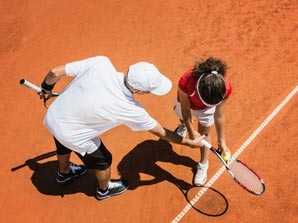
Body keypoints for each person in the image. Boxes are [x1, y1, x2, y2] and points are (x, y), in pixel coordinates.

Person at [40, 55, 205, 201]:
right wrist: (187, 142)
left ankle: (65, 172)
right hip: (72, 133)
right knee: (103, 160)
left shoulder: (101, 63)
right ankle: (103, 191)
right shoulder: (130, 109)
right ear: (137, 90)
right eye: (148, 91)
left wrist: (46, 87)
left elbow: (55, 72)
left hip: (54, 116)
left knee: (62, 137)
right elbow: (161, 132)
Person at [173, 57, 232, 186]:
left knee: (205, 134)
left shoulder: (225, 88)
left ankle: (203, 164)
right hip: (186, 104)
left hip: (206, 110)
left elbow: (219, 115)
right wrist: (190, 131)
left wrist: (221, 141)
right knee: (183, 118)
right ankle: (182, 126)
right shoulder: (186, 81)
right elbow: (185, 108)